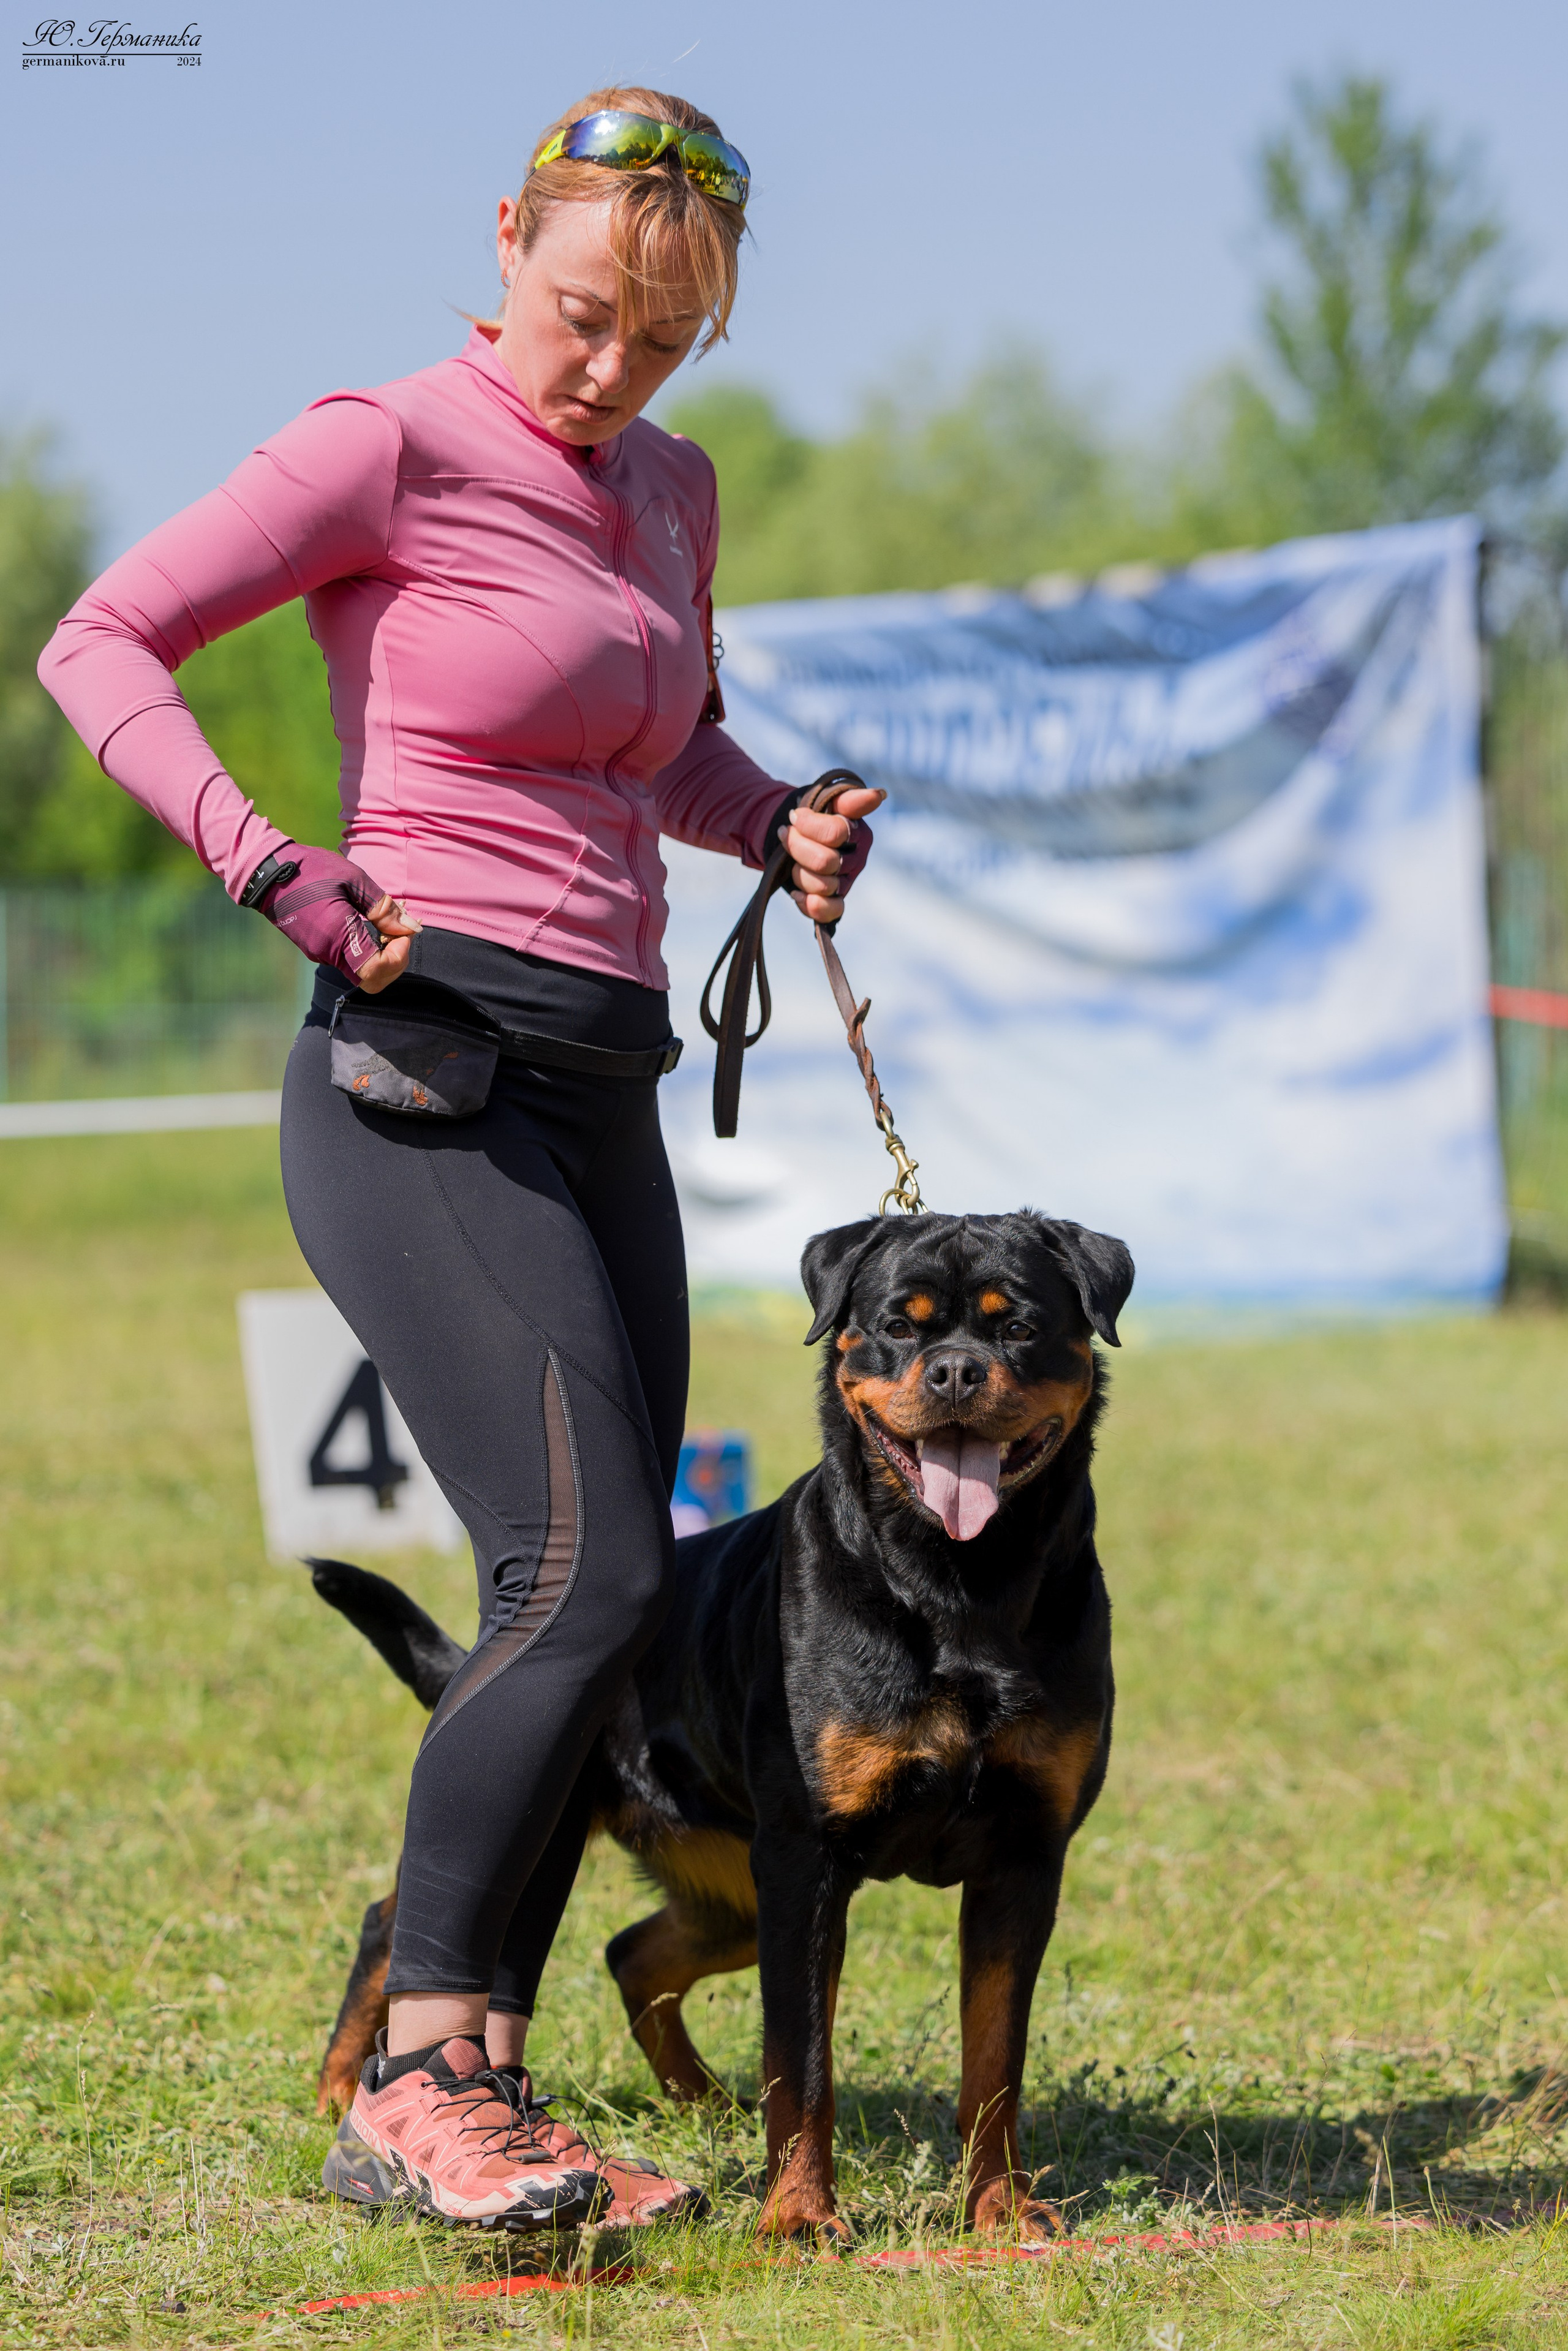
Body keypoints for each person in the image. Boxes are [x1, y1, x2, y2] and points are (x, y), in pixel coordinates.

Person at [39, 85, 881, 2232]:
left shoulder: (673, 490)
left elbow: (656, 748)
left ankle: (482, 2083)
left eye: (664, 340)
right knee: (591, 1575)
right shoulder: (387, 441)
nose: (611, 368)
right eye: (585, 312)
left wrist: (775, 819)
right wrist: (272, 865)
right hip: (419, 1072)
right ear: (508, 235)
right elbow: (97, 642)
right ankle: (418, 2078)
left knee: (591, 1593)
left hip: (606, 1085)